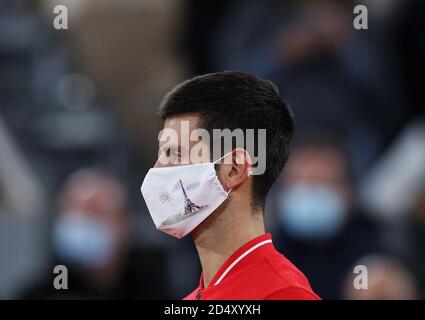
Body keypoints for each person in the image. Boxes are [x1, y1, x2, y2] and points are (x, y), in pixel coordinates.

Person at [140, 71, 320, 300]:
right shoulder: (196, 297)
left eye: (175, 154)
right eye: (161, 154)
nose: (157, 169)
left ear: (234, 169)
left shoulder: (284, 294)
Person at [21, 169, 165, 299]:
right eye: (74, 211)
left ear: (125, 224)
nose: (83, 222)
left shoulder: (158, 287)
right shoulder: (45, 291)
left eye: (95, 212)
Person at [272, 134, 382, 299]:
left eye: (323, 183)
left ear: (348, 192)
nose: (312, 194)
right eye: (303, 183)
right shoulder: (263, 250)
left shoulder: (372, 249)